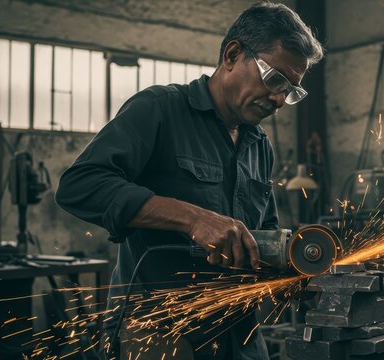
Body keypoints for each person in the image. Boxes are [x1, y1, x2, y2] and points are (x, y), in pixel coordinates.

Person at [55, 2, 323, 359]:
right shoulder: (159, 110)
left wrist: (286, 275)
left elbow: (265, 234)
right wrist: (193, 218)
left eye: (290, 90)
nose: (278, 99)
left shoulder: (260, 146)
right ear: (232, 55)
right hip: (161, 336)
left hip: (239, 340)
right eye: (275, 79)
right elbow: (79, 185)